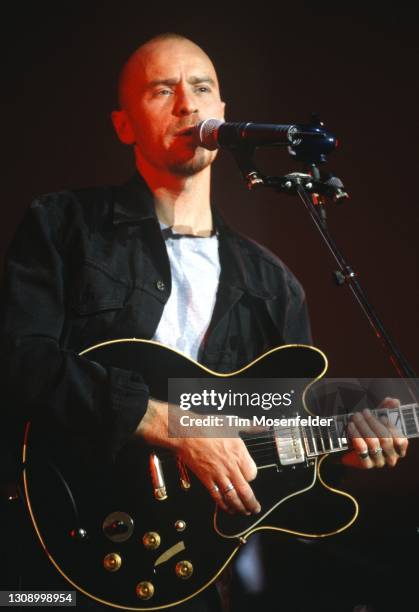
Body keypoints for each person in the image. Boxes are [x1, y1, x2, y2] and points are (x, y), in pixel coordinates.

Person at [0, 33, 408, 611]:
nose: (187, 105)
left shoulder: (273, 284)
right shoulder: (64, 226)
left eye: (201, 88)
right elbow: (20, 360)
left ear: (223, 113)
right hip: (53, 542)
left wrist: (345, 444)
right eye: (162, 90)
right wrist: (174, 426)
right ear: (123, 124)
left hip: (183, 571)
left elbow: (279, 430)